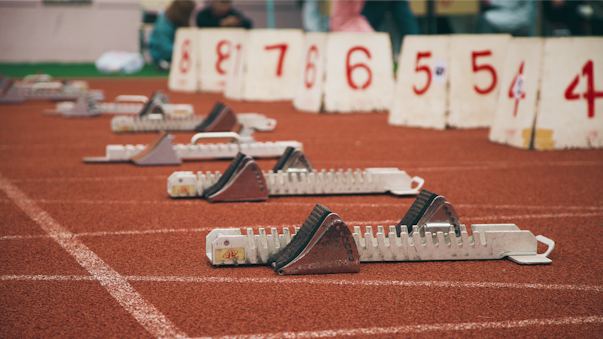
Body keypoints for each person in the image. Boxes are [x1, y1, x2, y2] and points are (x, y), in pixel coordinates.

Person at [148, 0, 196, 70]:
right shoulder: (163, 26)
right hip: (161, 56)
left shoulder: (178, 22)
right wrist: (188, 51)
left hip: (177, 53)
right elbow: (167, 48)